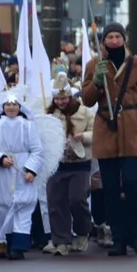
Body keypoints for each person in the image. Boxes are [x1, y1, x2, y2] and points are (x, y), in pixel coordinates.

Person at [81, 22, 137, 257]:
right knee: (110, 188)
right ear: (103, 41)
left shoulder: (136, 65)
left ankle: (136, 236)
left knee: (132, 184)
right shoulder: (94, 65)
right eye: (109, 37)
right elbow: (87, 100)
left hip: (131, 129)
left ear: (124, 39)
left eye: (117, 36)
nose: (114, 40)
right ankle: (118, 238)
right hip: (106, 130)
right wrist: (96, 83)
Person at [0, 93, 45, 260]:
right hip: (3, 171)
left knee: (23, 205)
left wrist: (31, 169)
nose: (11, 108)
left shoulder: (28, 126)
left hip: (22, 168)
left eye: (14, 105)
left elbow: (37, 150)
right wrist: (0, 158)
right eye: (8, 105)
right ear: (3, 107)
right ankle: (8, 243)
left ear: (19, 107)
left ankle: (20, 245)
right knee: (3, 205)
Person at [45, 73, 94, 256]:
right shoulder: (49, 115)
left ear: (70, 96)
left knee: (77, 199)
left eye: (64, 98)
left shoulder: (84, 112)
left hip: (79, 163)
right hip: (57, 164)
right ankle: (61, 240)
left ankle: (82, 233)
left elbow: (95, 132)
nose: (61, 102)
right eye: (57, 98)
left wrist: (84, 137)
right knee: (56, 202)